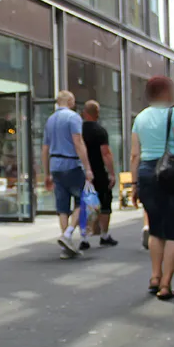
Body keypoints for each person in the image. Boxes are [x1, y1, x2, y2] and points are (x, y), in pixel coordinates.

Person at [130, 76, 174, 300]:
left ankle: (154, 276)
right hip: (172, 172)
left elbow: (134, 154)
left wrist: (134, 184)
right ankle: (166, 284)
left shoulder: (139, 118)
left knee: (155, 228)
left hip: (146, 174)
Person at [42, 90, 94, 258]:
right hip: (71, 164)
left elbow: (45, 149)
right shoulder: (73, 117)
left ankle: (67, 245)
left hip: (55, 166)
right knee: (82, 200)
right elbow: (78, 143)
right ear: (70, 101)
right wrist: (87, 168)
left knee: (62, 207)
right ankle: (69, 234)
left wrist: (47, 173)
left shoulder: (49, 120)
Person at [81, 100, 118, 247]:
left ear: (84, 113)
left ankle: (85, 239)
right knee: (104, 204)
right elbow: (106, 154)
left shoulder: (78, 131)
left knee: (86, 204)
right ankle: (104, 235)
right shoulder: (100, 131)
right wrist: (112, 173)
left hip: (84, 172)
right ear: (97, 114)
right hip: (98, 173)